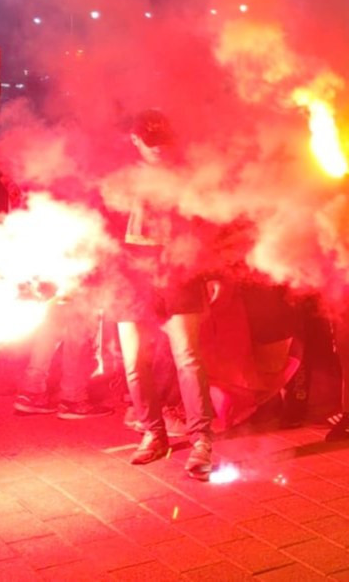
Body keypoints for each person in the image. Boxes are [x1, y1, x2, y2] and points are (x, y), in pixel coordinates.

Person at [113, 110, 217, 480]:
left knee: (187, 358)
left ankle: (201, 438)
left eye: (164, 143)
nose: (159, 150)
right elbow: (99, 226)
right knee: (134, 361)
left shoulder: (186, 176)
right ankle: (153, 433)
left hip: (178, 274)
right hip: (129, 278)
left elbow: (205, 225)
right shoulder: (116, 176)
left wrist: (209, 272)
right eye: (150, 143)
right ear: (134, 139)